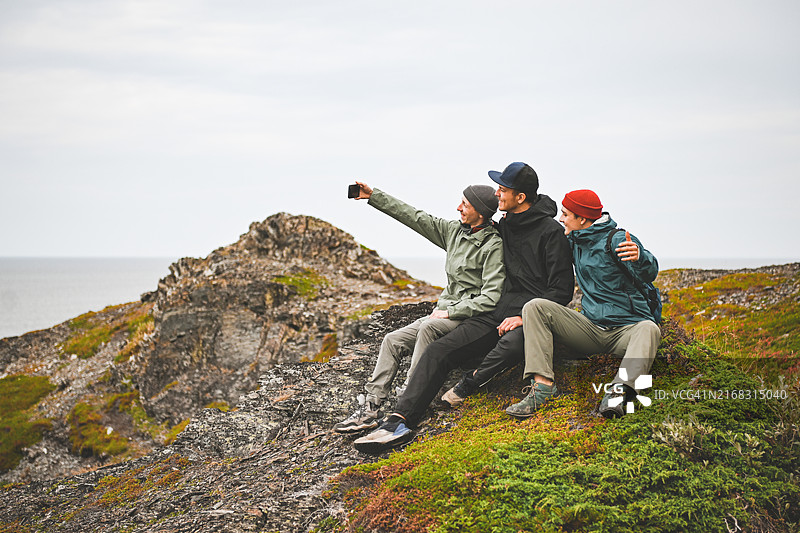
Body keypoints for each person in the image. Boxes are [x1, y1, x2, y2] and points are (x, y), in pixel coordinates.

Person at [353, 162, 575, 454]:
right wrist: (374, 197)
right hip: (493, 314)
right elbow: (419, 218)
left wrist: (524, 317)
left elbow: (561, 290)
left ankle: (468, 385)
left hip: (530, 317)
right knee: (438, 350)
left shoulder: (550, 232)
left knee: (509, 345)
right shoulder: (503, 227)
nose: (498, 194)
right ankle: (400, 421)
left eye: (503, 190)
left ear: (520, 197)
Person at [333, 181, 505, 433]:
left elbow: (490, 297)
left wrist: (450, 312)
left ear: (480, 212)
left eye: (465, 205)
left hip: (466, 316)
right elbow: (414, 216)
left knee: (429, 328)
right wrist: (374, 196)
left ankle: (408, 398)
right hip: (444, 311)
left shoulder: (493, 246)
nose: (458, 208)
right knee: (392, 340)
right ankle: (370, 409)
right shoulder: (454, 231)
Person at [505, 189, 661, 419]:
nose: (561, 218)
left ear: (583, 219)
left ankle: (619, 393)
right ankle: (543, 387)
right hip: (590, 328)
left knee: (649, 328)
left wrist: (641, 257)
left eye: (566, 214)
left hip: (626, 330)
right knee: (534, 307)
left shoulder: (617, 239)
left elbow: (650, 272)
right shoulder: (572, 240)